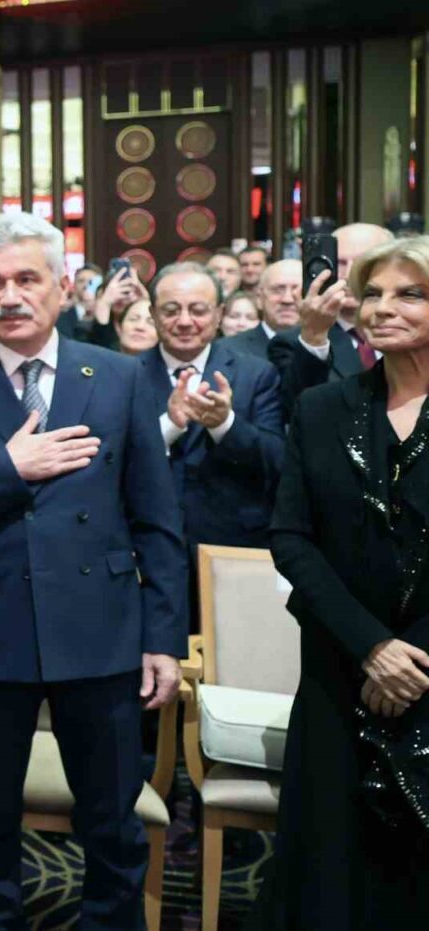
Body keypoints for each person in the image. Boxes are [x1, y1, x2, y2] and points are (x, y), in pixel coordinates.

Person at [0, 211, 187, 930]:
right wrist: (6, 469)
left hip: (102, 630)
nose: (10, 296)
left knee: (112, 821)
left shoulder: (118, 377)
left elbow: (156, 520)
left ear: (62, 287)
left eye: (27, 279)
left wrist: (163, 638)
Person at [250, 235, 429, 929]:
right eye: (373, 293)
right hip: (337, 670)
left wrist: (411, 659)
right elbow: (291, 538)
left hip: (426, 676)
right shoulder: (323, 408)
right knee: (329, 864)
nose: (383, 308)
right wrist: (371, 647)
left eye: (410, 293)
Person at [142, 262, 283, 560]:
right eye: (170, 310)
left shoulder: (255, 374)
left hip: (233, 543)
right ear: (153, 314)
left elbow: (276, 460)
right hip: (150, 543)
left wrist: (224, 425)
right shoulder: (125, 374)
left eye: (198, 310)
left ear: (219, 314)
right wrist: (169, 425)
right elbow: (111, 459)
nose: (184, 321)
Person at [268, 223, 395, 414]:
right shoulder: (296, 344)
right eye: (340, 263)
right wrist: (315, 337)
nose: (349, 274)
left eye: (362, 263)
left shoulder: (413, 333)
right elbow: (297, 412)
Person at [224, 259, 301, 359]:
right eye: (277, 290)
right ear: (259, 298)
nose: (287, 299)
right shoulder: (227, 350)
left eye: (298, 291)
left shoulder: (321, 349)